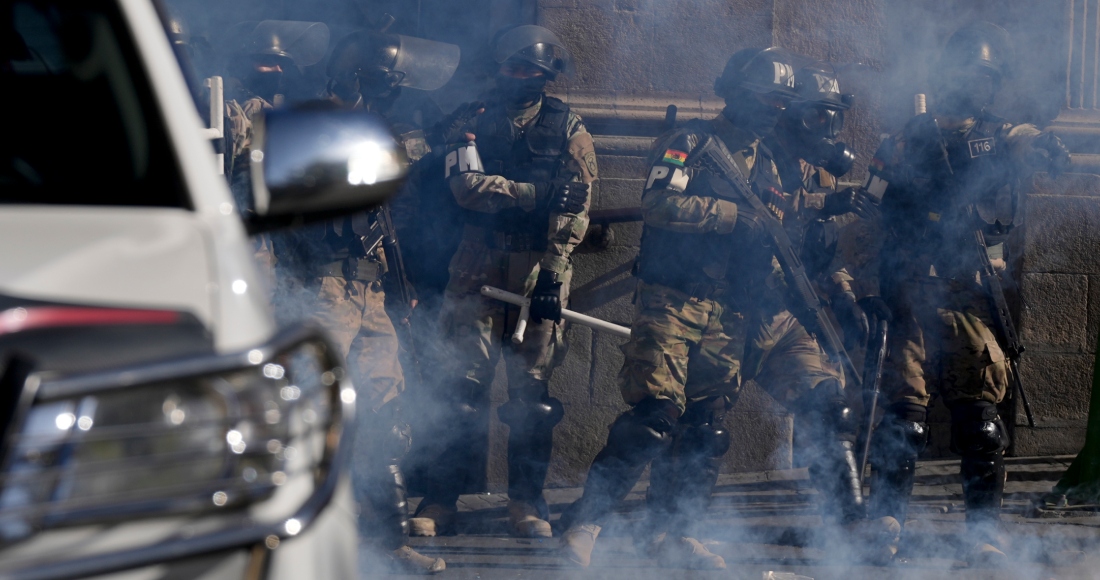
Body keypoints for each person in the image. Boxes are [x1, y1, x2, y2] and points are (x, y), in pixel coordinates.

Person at [557, 47, 802, 570]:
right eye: (764, 99)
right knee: (654, 415)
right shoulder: (691, 142)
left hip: (731, 306)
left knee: (706, 426)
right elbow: (659, 203)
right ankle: (586, 523)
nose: (773, 111)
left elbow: (776, 233)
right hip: (674, 298)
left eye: (781, 103)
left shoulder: (776, 160)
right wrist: (732, 215)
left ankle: (670, 532)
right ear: (735, 92)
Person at [865, 21, 1070, 566]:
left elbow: (1023, 140)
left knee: (981, 420)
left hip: (967, 295)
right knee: (903, 419)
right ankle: (886, 522)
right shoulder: (907, 139)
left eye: (986, 78)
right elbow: (870, 207)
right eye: (969, 75)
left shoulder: (999, 136)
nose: (976, 87)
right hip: (911, 293)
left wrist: (1047, 145)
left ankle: (982, 532)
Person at [272, 29, 461, 575]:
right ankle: (297, 542)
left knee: (385, 413)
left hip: (368, 288)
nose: (387, 96)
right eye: (381, 84)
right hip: (321, 291)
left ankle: (388, 542)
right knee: (310, 417)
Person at [409, 24, 597, 540]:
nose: (521, 77)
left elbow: (578, 203)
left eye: (532, 70)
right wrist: (536, 193)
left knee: (532, 399)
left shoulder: (569, 126)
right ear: (498, 69)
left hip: (540, 266)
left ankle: (527, 502)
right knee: (459, 392)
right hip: (477, 263)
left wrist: (555, 270)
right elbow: (468, 190)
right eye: (513, 67)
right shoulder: (472, 118)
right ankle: (440, 499)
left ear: (547, 75)